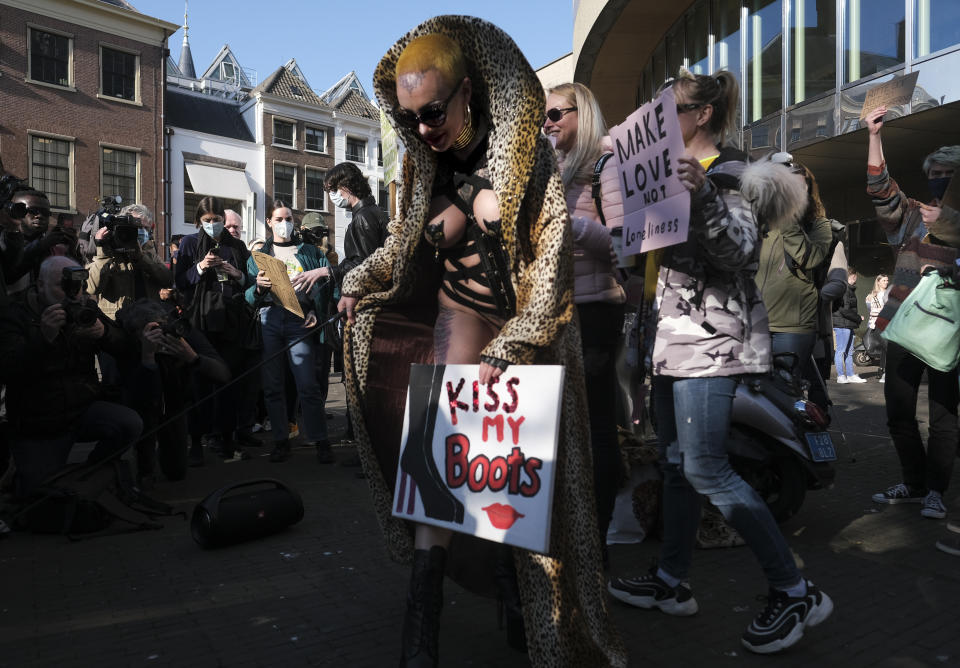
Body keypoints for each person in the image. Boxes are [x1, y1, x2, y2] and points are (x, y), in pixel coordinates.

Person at [337, 18, 625, 667]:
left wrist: (515, 343)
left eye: (433, 111)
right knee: (443, 487)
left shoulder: (528, 167)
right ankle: (423, 630)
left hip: (526, 346)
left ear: (469, 92)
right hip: (454, 335)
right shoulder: (422, 174)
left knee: (524, 505)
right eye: (410, 118)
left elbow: (550, 267)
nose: (423, 129)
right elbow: (400, 249)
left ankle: (525, 608)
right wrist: (356, 282)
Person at [606, 69, 833, 655]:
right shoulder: (662, 171)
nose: (658, 124)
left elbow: (738, 252)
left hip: (711, 345)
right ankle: (670, 582)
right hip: (668, 343)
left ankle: (794, 589)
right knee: (678, 466)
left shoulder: (732, 173)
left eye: (670, 111)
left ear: (702, 114)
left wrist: (700, 193)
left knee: (706, 467)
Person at [864, 106, 960, 517]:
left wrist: (951, 220)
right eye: (933, 171)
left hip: (945, 333)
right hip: (902, 325)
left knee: (943, 415)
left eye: (946, 173)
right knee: (898, 414)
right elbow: (881, 189)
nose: (937, 178)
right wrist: (873, 136)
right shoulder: (912, 216)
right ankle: (916, 483)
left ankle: (937, 490)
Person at [543, 81, 625, 557]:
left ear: (583, 113)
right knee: (561, 425)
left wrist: (571, 227)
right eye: (546, 116)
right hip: (556, 312)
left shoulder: (606, 168)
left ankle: (597, 539)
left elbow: (625, 249)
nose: (548, 123)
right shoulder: (552, 169)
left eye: (557, 114)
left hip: (595, 312)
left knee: (595, 425)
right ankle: (571, 531)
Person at [0, 256, 141, 498]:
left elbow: (128, 348)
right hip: (38, 422)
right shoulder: (16, 314)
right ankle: (21, 474)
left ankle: (91, 474)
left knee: (130, 423)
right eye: (63, 286)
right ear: (40, 284)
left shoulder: (84, 307)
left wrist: (104, 333)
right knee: (37, 497)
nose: (72, 293)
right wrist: (43, 338)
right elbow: (7, 368)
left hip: (81, 409)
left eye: (78, 286)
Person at [246, 201, 334, 463]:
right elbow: (249, 296)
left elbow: (326, 288)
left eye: (289, 218)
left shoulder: (310, 252)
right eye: (279, 218)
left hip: (300, 322)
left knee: (308, 384)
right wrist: (259, 288)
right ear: (270, 223)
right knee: (273, 385)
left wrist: (316, 313)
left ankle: (320, 440)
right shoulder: (260, 255)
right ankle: (281, 441)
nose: (285, 223)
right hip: (270, 319)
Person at [175, 196, 252, 463]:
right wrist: (200, 266)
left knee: (228, 380)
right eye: (207, 221)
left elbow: (250, 280)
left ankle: (226, 438)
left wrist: (237, 274)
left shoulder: (237, 246)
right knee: (200, 382)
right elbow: (180, 281)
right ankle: (197, 440)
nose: (212, 225)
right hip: (201, 319)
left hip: (231, 321)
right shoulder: (189, 243)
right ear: (199, 221)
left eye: (216, 220)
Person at [755, 154, 834, 398]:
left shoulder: (819, 226)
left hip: (793, 327)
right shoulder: (761, 223)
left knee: (784, 390)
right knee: (755, 391)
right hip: (756, 321)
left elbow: (808, 258)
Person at [84, 204, 172, 321]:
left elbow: (167, 279)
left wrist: (141, 258)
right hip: (117, 323)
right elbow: (92, 288)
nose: (141, 232)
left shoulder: (149, 250)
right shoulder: (107, 250)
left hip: (149, 321)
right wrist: (103, 253)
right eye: (136, 227)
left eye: (146, 228)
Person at [832, 269, 866, 383]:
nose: (855, 279)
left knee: (849, 351)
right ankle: (841, 376)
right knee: (841, 350)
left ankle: (850, 375)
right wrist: (857, 318)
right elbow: (844, 310)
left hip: (847, 324)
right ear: (850, 276)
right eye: (854, 276)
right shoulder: (844, 289)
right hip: (842, 324)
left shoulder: (848, 289)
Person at [865, 273, 889, 382]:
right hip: (879, 325)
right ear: (878, 282)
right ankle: (885, 373)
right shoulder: (872, 296)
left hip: (881, 324)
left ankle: (882, 371)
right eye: (884, 280)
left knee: (885, 349)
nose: (886, 282)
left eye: (887, 280)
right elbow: (871, 311)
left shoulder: (872, 296)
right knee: (887, 348)